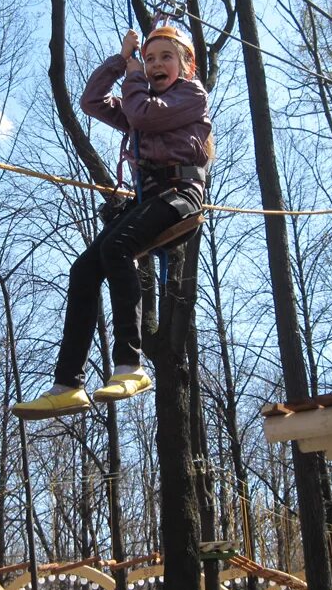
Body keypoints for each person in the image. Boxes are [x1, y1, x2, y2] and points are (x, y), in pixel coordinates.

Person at [11, 25, 212, 420]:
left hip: (181, 193)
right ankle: (67, 383)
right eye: (150, 58)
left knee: (117, 249)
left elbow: (141, 114)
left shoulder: (190, 96)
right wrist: (121, 62)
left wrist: (134, 75)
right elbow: (92, 101)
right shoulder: (143, 104)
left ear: (186, 66)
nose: (155, 65)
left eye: (165, 58)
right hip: (148, 200)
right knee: (84, 268)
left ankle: (130, 366)